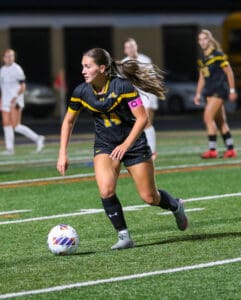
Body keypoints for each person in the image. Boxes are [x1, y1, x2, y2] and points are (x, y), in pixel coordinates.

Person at [57, 48, 188, 250]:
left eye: (87, 66)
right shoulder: (81, 92)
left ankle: (175, 205)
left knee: (149, 197)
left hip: (134, 144)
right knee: (106, 189)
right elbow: (68, 122)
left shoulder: (123, 86)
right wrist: (62, 154)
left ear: (102, 68)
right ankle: (124, 236)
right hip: (105, 145)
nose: (83, 70)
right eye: (83, 66)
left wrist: (126, 144)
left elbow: (142, 118)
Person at [194, 30, 238, 159]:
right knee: (220, 122)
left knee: (207, 118)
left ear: (210, 40)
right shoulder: (202, 59)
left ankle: (212, 150)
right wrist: (197, 94)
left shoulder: (218, 55)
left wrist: (232, 90)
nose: (202, 42)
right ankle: (231, 149)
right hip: (209, 92)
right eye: (200, 39)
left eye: (204, 39)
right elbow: (202, 77)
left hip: (219, 91)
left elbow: (229, 72)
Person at [0, 49, 45, 155]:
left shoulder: (17, 69)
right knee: (6, 123)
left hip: (15, 100)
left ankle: (38, 138)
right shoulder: (2, 70)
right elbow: (3, 87)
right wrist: (2, 99)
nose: (9, 58)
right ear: (3, 58)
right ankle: (10, 149)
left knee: (16, 126)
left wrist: (15, 97)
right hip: (5, 100)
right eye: (7, 56)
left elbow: (23, 86)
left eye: (11, 56)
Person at [122, 38, 159, 160]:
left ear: (136, 47)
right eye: (128, 47)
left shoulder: (145, 60)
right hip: (133, 96)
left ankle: (152, 152)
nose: (130, 49)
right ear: (125, 50)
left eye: (132, 46)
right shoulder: (124, 63)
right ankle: (138, 150)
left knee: (147, 123)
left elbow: (152, 79)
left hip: (147, 95)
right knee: (134, 124)